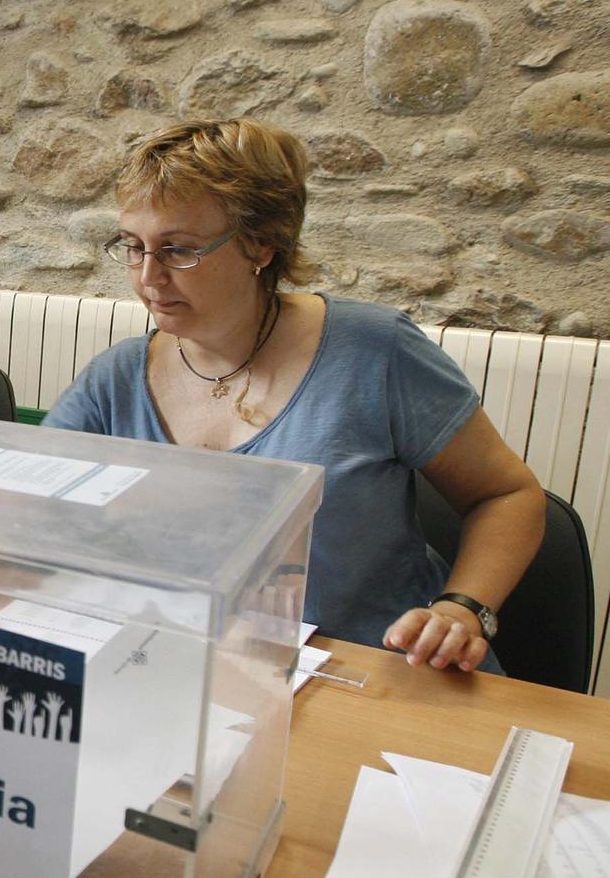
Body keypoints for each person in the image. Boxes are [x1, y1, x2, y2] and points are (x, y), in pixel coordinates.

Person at [44, 119, 542, 673]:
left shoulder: (376, 352)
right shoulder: (113, 380)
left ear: (262, 243)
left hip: (381, 673)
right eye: (133, 247)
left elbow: (506, 495)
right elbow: (26, 509)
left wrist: (464, 608)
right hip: (204, 671)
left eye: (178, 250)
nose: (147, 277)